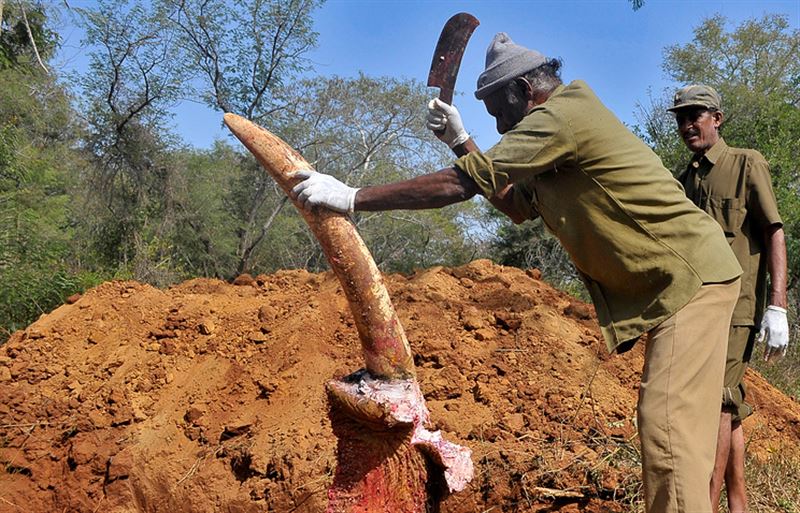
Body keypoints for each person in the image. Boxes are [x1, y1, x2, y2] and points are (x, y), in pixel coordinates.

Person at [292, 33, 743, 513]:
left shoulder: (561, 117)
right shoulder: (553, 132)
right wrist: (459, 140)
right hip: (684, 280)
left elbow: (460, 184)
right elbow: (515, 206)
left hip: (689, 279)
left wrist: (354, 197)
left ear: (525, 90)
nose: (498, 124)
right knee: (675, 430)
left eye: (497, 111)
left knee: (667, 427)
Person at [668, 84, 790, 513]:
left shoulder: (745, 163)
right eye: (681, 118)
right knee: (727, 400)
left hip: (737, 307)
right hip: (696, 306)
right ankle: (738, 503)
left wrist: (777, 305)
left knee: (717, 400)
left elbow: (773, 229)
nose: (687, 125)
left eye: (695, 116)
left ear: (716, 118)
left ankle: (706, 502)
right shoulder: (684, 179)